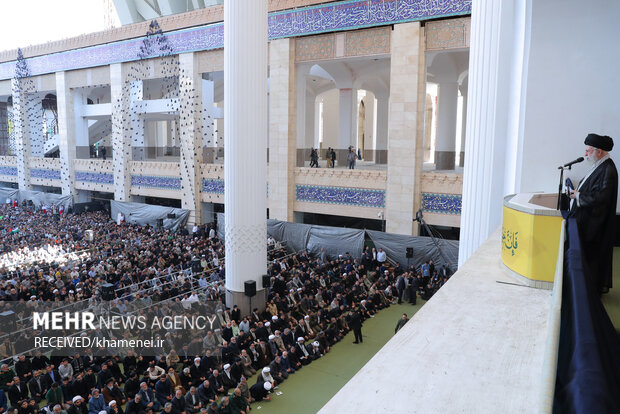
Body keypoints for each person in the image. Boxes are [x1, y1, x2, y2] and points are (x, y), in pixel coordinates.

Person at [569, 133, 618, 294]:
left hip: (596, 227)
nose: (585, 154)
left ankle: (589, 294)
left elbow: (601, 199)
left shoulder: (608, 169)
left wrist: (578, 196)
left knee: (593, 261)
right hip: (589, 222)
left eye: (588, 151)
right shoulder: (600, 165)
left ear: (599, 151)